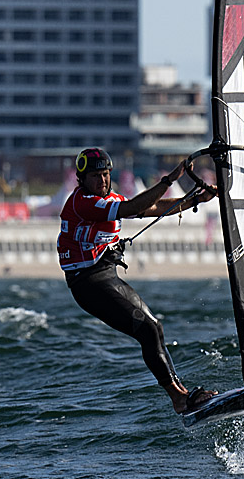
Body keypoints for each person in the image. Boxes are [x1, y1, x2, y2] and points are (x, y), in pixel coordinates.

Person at [57, 147, 218, 414]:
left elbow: (151, 208)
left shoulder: (108, 198)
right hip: (87, 283)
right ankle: (180, 398)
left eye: (106, 174)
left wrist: (196, 200)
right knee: (148, 330)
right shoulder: (81, 202)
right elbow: (134, 207)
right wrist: (168, 181)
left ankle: (182, 395)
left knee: (154, 329)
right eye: (96, 176)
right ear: (81, 179)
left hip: (105, 276)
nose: (103, 181)